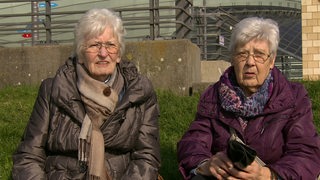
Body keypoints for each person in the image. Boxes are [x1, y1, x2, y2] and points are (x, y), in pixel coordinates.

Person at [12, 8, 161, 180]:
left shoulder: (138, 92)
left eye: (110, 45)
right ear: (81, 53)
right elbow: (29, 156)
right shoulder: (53, 89)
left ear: (119, 54)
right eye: (94, 45)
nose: (103, 54)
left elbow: (146, 157)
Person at [177, 17, 320, 180]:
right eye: (242, 54)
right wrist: (206, 164)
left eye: (259, 55)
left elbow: (305, 151)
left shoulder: (294, 97)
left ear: (271, 60)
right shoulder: (213, 96)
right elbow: (193, 142)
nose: (250, 62)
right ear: (232, 59)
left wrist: (268, 174)